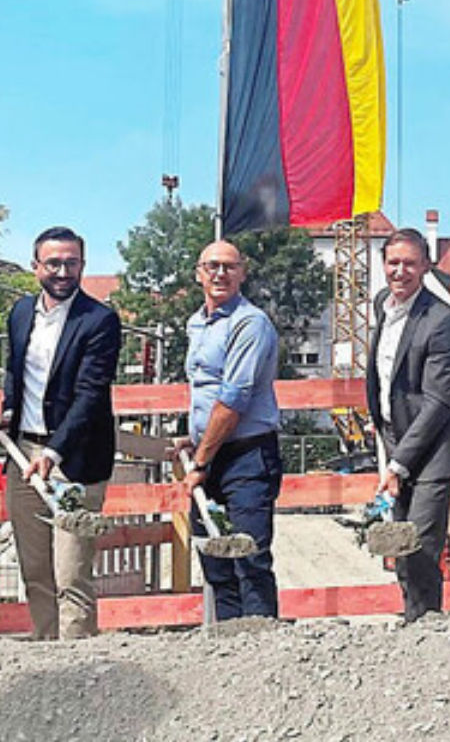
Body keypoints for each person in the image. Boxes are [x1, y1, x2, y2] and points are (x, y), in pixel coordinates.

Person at [0, 226, 123, 640]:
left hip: (74, 459)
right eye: (53, 262)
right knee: (34, 570)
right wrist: (9, 411)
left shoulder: (100, 321)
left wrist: (54, 452)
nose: (62, 271)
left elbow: (90, 395)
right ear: (36, 267)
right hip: (23, 454)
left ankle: (76, 667)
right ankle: (45, 653)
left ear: (83, 266)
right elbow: (16, 372)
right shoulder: (20, 313)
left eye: (71, 263)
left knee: (71, 572)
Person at [366, 227, 450, 622]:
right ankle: (414, 620)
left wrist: (398, 464)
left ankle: (426, 622)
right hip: (396, 439)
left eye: (410, 263)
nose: (401, 271)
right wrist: (388, 449)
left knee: (420, 544)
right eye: (394, 262)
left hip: (434, 448)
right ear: (383, 266)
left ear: (426, 266)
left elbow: (440, 401)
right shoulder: (382, 306)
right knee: (400, 544)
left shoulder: (442, 321)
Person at [179, 239, 282, 621]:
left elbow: (234, 397)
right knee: (215, 560)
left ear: (243, 273)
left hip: (246, 457)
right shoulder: (197, 324)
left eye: (229, 266)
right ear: (198, 273)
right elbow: (203, 392)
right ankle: (228, 653)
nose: (220, 274)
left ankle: (260, 649)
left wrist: (201, 460)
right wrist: (195, 438)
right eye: (212, 266)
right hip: (211, 453)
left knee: (249, 557)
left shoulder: (250, 324)